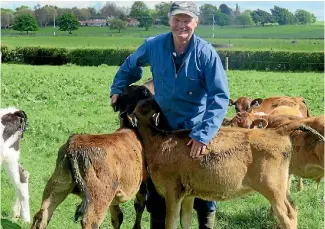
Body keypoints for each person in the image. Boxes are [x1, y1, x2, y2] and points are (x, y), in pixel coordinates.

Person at [110, 1, 230, 228]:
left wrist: (204, 134)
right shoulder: (154, 45)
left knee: (202, 186)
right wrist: (118, 88)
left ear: (196, 22)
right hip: (163, 126)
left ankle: (206, 222)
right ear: (169, 20)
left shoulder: (206, 53)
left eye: (187, 20)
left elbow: (220, 96)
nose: (181, 25)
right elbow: (131, 64)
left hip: (195, 128)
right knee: (159, 186)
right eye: (177, 19)